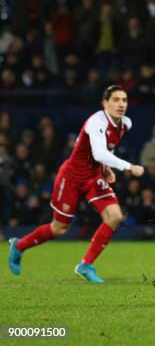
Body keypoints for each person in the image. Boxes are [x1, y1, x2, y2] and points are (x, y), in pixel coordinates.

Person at [7, 85, 145, 283]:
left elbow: (107, 150)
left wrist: (106, 167)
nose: (121, 104)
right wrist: (128, 166)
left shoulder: (125, 124)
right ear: (104, 103)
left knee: (114, 216)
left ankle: (85, 265)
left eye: (124, 100)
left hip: (93, 176)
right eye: (115, 99)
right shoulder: (96, 121)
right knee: (59, 229)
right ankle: (19, 246)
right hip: (71, 176)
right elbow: (98, 152)